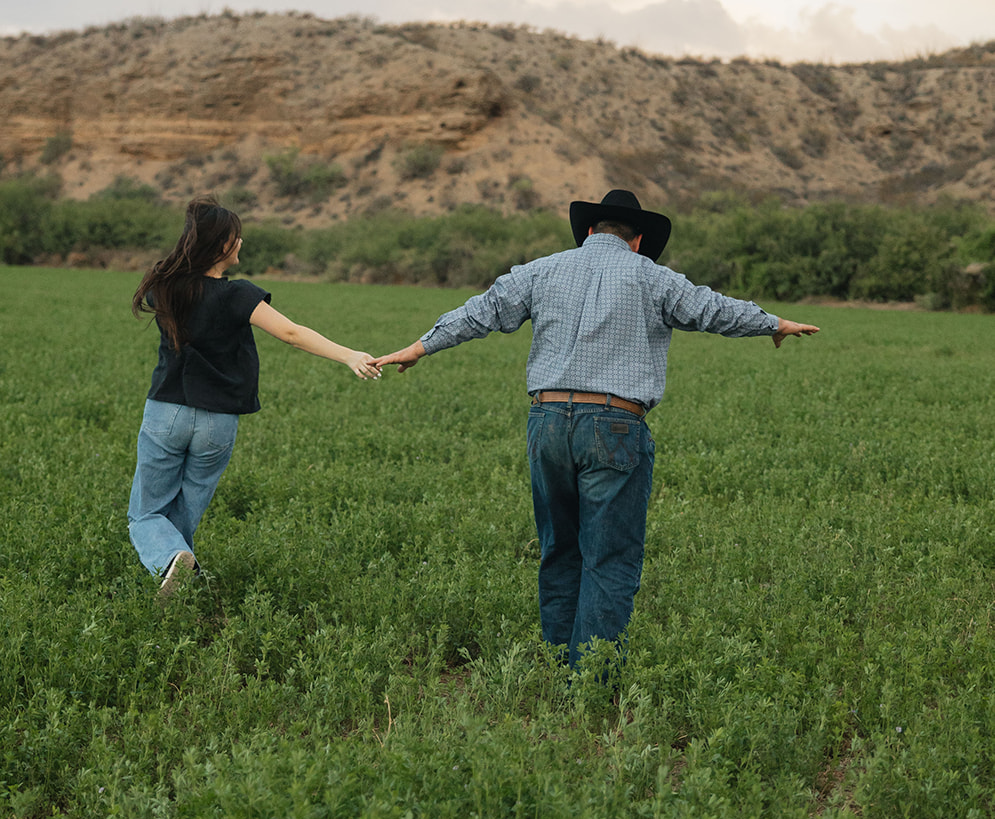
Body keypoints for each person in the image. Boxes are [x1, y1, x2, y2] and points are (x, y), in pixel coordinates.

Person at [377, 188, 818, 670]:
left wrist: (421, 347)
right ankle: (589, 682)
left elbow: (481, 310)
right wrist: (772, 322)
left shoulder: (541, 270)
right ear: (638, 240)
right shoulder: (653, 277)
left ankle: (557, 668)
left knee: (559, 551)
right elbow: (713, 309)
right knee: (609, 558)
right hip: (613, 425)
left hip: (545, 422)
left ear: (589, 231)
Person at [129, 197, 380, 592]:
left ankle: (171, 564)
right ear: (223, 246)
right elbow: (292, 334)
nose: (242, 242)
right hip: (218, 422)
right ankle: (183, 579)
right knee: (184, 512)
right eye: (237, 236)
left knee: (145, 514)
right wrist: (349, 355)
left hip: (167, 413)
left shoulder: (165, 286)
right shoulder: (238, 296)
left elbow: (162, 283)